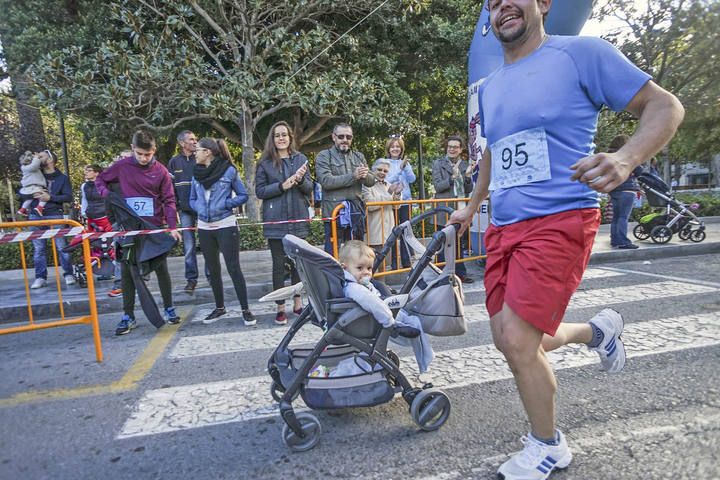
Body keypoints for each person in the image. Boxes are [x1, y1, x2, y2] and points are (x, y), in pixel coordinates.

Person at [449, 1, 684, 478]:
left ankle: (548, 445)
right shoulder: (491, 87)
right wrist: (472, 206)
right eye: (493, 2)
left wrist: (627, 157)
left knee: (517, 339)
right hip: (504, 228)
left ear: (544, 5)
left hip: (560, 218)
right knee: (508, 336)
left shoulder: (582, 54)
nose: (502, 7)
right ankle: (598, 332)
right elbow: (495, 152)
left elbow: (666, 106)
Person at [96, 131, 182, 335]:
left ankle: (169, 308)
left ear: (154, 151)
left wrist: (172, 227)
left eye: (148, 154)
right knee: (127, 273)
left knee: (162, 269)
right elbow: (100, 180)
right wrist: (107, 195)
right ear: (133, 149)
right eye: (140, 154)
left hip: (154, 227)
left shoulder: (160, 171)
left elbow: (169, 200)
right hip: (129, 228)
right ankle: (128, 316)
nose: (144, 158)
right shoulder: (122, 166)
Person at [190, 137, 256, 326]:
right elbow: (192, 199)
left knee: (233, 268)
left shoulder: (229, 171)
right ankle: (220, 308)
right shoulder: (196, 174)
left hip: (226, 224)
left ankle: (245, 309)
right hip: (204, 227)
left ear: (208, 152)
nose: (195, 153)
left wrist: (226, 204)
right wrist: (199, 210)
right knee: (213, 269)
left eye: (198, 150)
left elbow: (243, 195)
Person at [255, 121, 311, 325]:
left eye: (284, 135)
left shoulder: (300, 159)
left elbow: (309, 188)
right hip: (275, 221)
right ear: (273, 138)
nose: (281, 138)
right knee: (279, 266)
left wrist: (300, 180)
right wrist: (282, 186)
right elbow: (260, 191)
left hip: (298, 218)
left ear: (290, 138)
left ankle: (298, 304)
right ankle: (280, 307)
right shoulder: (265, 162)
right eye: (277, 135)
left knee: (298, 265)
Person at [315, 123, 375, 254]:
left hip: (355, 211)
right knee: (332, 253)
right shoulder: (323, 156)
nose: (345, 140)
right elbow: (326, 181)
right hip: (334, 212)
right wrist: (353, 176)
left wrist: (364, 176)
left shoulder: (359, 156)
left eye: (348, 137)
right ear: (333, 137)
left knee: (356, 252)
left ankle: (353, 275)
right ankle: (332, 275)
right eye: (341, 136)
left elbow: (371, 181)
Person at [26, 149, 75, 289]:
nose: (39, 157)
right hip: (35, 216)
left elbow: (68, 197)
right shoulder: (34, 175)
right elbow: (22, 192)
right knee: (38, 249)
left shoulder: (62, 178)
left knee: (61, 246)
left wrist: (50, 198)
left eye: (42, 155)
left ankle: (68, 273)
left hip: (55, 214)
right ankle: (40, 277)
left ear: (51, 159)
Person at [432, 135, 474, 283]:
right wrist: (452, 178)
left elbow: (468, 189)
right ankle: (441, 274)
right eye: (450, 146)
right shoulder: (438, 163)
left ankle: (460, 273)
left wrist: (467, 177)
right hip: (444, 209)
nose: (452, 149)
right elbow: (437, 186)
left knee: (459, 241)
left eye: (455, 147)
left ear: (460, 149)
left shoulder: (464, 165)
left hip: (460, 208)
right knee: (443, 243)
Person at [168, 130, 200, 293]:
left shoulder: (201, 158)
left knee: (209, 245)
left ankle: (211, 276)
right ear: (182, 143)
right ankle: (191, 280)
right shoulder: (174, 162)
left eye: (196, 139)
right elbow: (169, 188)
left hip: (202, 210)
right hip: (185, 211)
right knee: (189, 246)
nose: (195, 142)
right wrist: (177, 208)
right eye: (191, 139)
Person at [383, 136, 417, 269]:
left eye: (398, 146)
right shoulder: (384, 162)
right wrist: (400, 169)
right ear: (389, 149)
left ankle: (407, 262)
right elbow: (388, 180)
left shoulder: (405, 163)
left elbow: (412, 179)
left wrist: (405, 167)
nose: (395, 149)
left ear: (401, 149)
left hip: (405, 201)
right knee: (393, 232)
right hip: (391, 202)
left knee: (405, 231)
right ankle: (394, 264)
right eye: (393, 146)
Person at [362, 158, 399, 271]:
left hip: (388, 231)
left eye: (385, 171)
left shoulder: (389, 184)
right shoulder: (366, 185)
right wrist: (389, 195)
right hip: (375, 231)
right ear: (373, 170)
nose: (382, 173)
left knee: (384, 264)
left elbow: (396, 207)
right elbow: (370, 204)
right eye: (379, 169)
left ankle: (382, 285)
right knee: (373, 264)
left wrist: (397, 195)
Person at [607, 135, 639, 250]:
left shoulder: (609, 156)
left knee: (616, 217)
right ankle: (623, 241)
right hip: (627, 190)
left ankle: (615, 240)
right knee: (623, 217)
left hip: (614, 189)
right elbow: (639, 171)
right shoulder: (627, 155)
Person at [16, 151, 48, 217]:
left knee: (30, 198)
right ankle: (40, 207)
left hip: (29, 187)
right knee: (44, 196)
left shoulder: (27, 168)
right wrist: (36, 158)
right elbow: (35, 165)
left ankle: (22, 209)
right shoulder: (28, 167)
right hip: (34, 186)